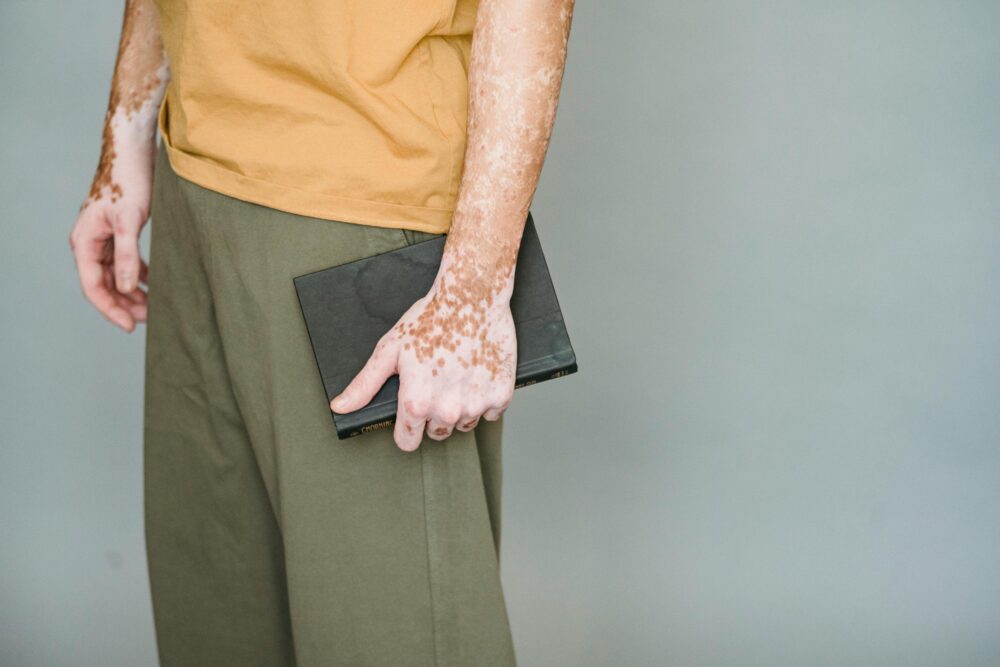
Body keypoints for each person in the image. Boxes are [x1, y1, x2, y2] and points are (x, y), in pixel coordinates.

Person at [69, 0, 575, 664]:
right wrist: (127, 129)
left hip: (362, 213)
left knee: (389, 641)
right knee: (215, 633)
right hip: (194, 175)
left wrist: (474, 287)